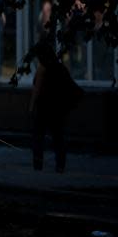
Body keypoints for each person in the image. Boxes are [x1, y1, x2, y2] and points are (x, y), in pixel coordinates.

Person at [29, 40, 83, 173]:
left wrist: (31, 108)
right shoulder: (60, 68)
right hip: (58, 109)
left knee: (38, 138)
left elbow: (37, 90)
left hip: (44, 108)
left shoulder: (43, 68)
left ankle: (38, 166)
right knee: (58, 138)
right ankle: (60, 166)